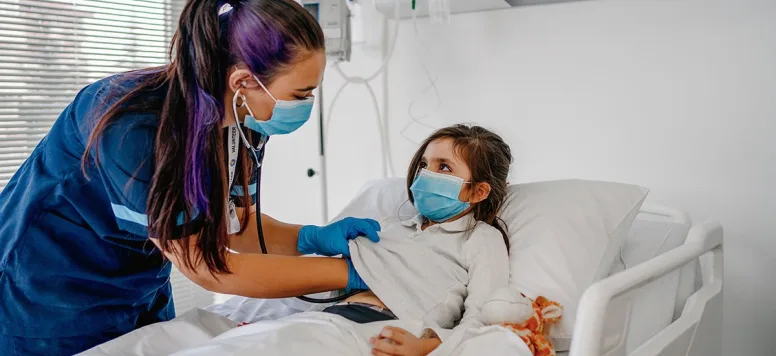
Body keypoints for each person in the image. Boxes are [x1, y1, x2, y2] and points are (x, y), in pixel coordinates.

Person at [0, 0, 379, 354]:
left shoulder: (245, 120)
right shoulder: (133, 129)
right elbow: (209, 267)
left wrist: (311, 237)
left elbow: (237, 226)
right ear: (243, 81)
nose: (305, 104)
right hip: (51, 296)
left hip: (138, 288)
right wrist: (346, 274)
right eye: (301, 93)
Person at [322, 125, 514, 356]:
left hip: (388, 330)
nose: (424, 175)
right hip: (328, 317)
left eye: (443, 167)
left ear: (478, 192)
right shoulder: (388, 226)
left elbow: (484, 318)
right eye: (423, 165)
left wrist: (426, 347)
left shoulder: (481, 238)